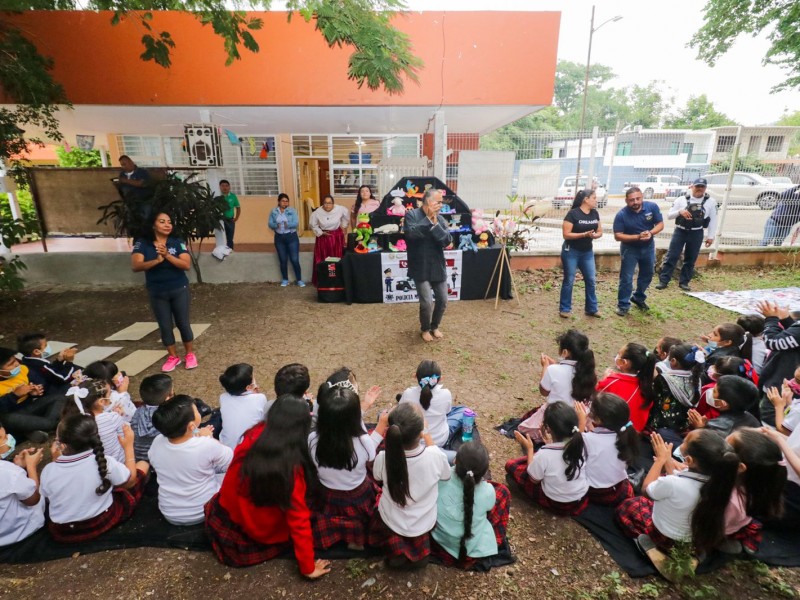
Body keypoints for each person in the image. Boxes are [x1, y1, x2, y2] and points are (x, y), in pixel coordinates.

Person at [204, 395, 331, 577]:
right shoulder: (291, 467)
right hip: (260, 528)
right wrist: (308, 567)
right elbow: (298, 519)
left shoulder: (254, 433)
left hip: (231, 513)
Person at [615, 430, 739, 581]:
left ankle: (651, 548)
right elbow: (681, 478)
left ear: (689, 460)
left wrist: (660, 460)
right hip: (693, 540)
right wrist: (668, 459)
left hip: (663, 535)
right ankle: (693, 556)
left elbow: (646, 490)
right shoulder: (720, 486)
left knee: (629, 505)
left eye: (685, 441)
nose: (682, 442)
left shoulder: (673, 484)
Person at [41, 414, 149, 542]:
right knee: (143, 465)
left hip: (63, 532)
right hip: (101, 521)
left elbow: (48, 497)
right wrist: (128, 446)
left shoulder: (49, 470)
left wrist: (56, 460)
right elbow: (130, 481)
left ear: (61, 445)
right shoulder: (105, 462)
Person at [368, 402, 451, 568]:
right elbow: (446, 476)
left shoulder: (383, 458)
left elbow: (376, 476)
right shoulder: (435, 456)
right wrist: (427, 436)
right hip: (424, 523)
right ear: (421, 432)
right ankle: (416, 554)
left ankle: (396, 550)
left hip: (390, 520)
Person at [308, 383, 388, 549]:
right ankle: (356, 538)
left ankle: (335, 535)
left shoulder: (313, 439)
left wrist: (365, 405)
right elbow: (371, 454)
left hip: (326, 493)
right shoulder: (363, 441)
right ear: (354, 418)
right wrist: (381, 426)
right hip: (358, 493)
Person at [148, 395, 233, 525]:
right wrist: (209, 438)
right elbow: (230, 460)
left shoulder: (157, 442)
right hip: (203, 511)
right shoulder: (206, 444)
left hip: (169, 512)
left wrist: (198, 434)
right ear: (192, 426)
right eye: (197, 411)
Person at [131, 211, 197, 372]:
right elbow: (136, 266)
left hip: (179, 288)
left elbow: (186, 265)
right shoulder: (143, 243)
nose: (167, 225)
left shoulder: (177, 242)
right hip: (157, 291)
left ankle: (189, 354)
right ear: (153, 225)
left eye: (169, 222)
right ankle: (173, 357)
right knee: (165, 325)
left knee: (183, 323)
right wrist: (156, 261)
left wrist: (167, 255)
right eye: (162, 222)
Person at [431, 441, 511, 567]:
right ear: (485, 472)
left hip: (441, 541)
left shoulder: (440, 477)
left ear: (455, 460)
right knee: (503, 492)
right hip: (472, 547)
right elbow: (490, 506)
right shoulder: (488, 492)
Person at [507, 401, 589, 516]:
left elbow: (534, 479)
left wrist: (530, 449)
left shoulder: (545, 454)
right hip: (579, 499)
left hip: (555, 502)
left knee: (511, 465)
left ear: (548, 429)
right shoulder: (583, 442)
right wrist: (549, 443)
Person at [518, 329, 596, 441]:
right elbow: (569, 374)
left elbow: (544, 391)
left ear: (564, 352)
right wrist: (554, 365)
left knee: (525, 429)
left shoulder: (553, 370)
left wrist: (545, 366)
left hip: (558, 416)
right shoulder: (588, 371)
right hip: (579, 418)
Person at [723, 428, 786, 554]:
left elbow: (712, 525)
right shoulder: (764, 483)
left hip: (724, 527)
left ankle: (724, 542)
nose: (720, 446)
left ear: (740, 467)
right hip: (740, 519)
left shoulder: (729, 498)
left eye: (725, 447)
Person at [404, 188, 453, 342]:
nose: (440, 205)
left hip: (437, 265)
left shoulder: (441, 219)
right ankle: (425, 328)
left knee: (443, 300)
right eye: (438, 201)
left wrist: (435, 224)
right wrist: (427, 221)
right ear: (428, 201)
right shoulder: (411, 215)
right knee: (426, 302)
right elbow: (411, 235)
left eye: (441, 202)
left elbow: (447, 241)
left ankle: (434, 326)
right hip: (420, 265)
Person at [656, 178, 717, 292]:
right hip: (680, 231)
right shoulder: (681, 199)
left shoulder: (711, 202)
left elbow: (713, 219)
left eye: (702, 187)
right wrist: (680, 212)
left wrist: (710, 236)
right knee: (672, 256)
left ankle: (684, 282)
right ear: (691, 187)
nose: (699, 189)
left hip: (696, 232)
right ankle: (663, 280)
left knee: (691, 258)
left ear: (705, 188)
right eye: (697, 186)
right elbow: (669, 215)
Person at [578, 393, 638, 506]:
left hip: (596, 491)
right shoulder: (624, 434)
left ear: (599, 419)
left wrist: (581, 423)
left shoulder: (588, 440)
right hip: (619, 487)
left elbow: (573, 448)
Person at [612, 187, 664, 316]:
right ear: (626, 201)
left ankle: (638, 297)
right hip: (630, 249)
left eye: (638, 198)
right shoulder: (621, 215)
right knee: (626, 278)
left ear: (642, 197)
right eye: (631, 200)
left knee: (648, 274)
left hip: (648, 247)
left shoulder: (652, 207)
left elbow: (660, 224)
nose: (635, 202)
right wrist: (637, 237)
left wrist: (650, 233)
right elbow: (618, 236)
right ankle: (623, 304)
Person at [0, 347, 62, 441]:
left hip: (30, 408)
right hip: (12, 417)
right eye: (11, 364)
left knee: (59, 398)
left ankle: (38, 428)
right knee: (8, 419)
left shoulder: (22, 369)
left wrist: (34, 391)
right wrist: (14, 395)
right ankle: (58, 425)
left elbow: (41, 382)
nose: (17, 364)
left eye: (15, 360)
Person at [559, 189, 603, 318]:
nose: (596, 200)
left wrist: (595, 235)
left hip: (587, 252)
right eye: (594, 198)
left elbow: (600, 231)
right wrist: (584, 234)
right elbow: (566, 234)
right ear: (586, 199)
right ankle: (565, 308)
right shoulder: (573, 214)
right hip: (571, 251)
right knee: (569, 279)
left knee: (591, 279)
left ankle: (592, 309)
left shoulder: (595, 213)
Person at [755, 301, 800, 427]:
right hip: (790, 380)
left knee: (770, 419)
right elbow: (795, 338)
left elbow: (773, 342)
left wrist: (770, 319)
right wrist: (786, 320)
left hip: (783, 383)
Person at [648, 343, 704, 444]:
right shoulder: (697, 380)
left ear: (673, 361)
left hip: (661, 423)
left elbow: (653, 397)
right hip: (682, 424)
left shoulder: (664, 379)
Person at [596, 343, 657, 433]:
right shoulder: (647, 387)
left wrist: (605, 380)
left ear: (624, 362)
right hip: (633, 437)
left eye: (619, 354)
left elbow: (594, 401)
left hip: (610, 433)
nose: (617, 356)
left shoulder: (611, 382)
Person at [63, 379, 127, 464]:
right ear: (101, 401)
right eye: (109, 394)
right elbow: (126, 439)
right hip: (119, 464)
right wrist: (119, 416)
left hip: (92, 468)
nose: (111, 395)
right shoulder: (112, 418)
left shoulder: (72, 424)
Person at [398, 360, 454, 450]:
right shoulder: (446, 394)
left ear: (415, 376)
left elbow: (400, 414)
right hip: (440, 440)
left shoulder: (408, 394)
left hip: (415, 442)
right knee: (460, 411)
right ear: (440, 379)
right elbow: (448, 411)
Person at [0, 439, 44, 547]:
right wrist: (31, 466)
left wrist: (17, 467)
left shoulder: (8, 470)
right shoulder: (7, 470)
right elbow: (33, 499)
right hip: (22, 530)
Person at [687, 375, 760, 437]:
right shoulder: (753, 420)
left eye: (714, 391)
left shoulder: (717, 427)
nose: (711, 391)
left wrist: (699, 429)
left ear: (722, 403)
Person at [218, 363, 269, 449]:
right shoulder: (260, 398)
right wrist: (257, 394)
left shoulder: (223, 397)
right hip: (250, 450)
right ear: (249, 387)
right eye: (253, 378)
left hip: (227, 448)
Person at [131, 374, 173, 462]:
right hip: (162, 460)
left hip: (140, 458)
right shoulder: (168, 415)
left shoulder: (137, 412)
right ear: (168, 397)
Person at [309, 194, 349, 286]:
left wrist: (344, 226)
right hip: (324, 237)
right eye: (325, 203)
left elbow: (346, 216)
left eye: (330, 203)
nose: (327, 205)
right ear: (322, 204)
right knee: (324, 259)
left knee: (336, 258)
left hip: (336, 237)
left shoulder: (340, 209)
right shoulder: (317, 212)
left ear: (333, 204)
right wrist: (321, 232)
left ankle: (337, 279)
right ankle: (324, 280)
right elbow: (313, 225)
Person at [268, 193, 304, 287]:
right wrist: (276, 225)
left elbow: (296, 223)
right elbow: (270, 224)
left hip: (291, 237)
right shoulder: (274, 211)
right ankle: (285, 279)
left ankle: (299, 280)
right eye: (283, 201)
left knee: (294, 259)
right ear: (279, 202)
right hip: (279, 238)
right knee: (283, 260)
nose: (285, 203)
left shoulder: (292, 211)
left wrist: (288, 224)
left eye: (287, 201)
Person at [219, 179, 240, 252]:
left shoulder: (233, 196)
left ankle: (230, 252)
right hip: (221, 220)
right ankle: (222, 252)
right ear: (220, 187)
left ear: (229, 187)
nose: (225, 187)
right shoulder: (218, 197)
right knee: (222, 237)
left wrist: (236, 218)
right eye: (222, 186)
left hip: (230, 220)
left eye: (226, 186)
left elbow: (238, 208)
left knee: (230, 238)